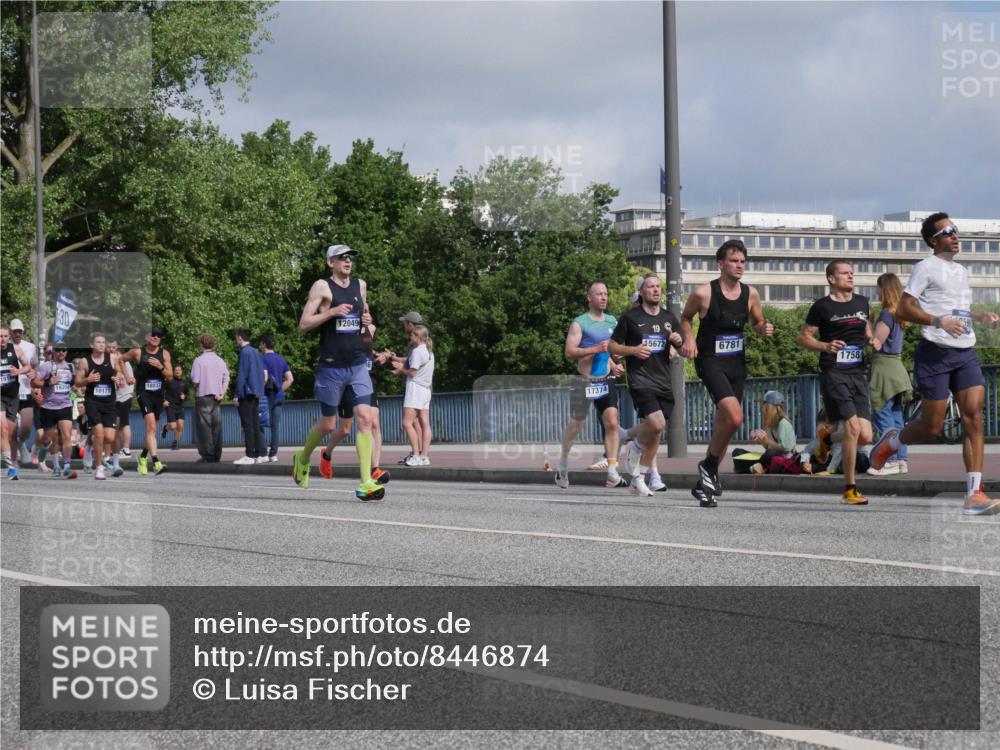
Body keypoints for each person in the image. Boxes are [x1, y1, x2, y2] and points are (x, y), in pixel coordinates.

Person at [870, 212, 1000, 515]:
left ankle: (974, 494)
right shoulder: (925, 267)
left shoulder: (960, 271)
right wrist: (937, 320)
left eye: (956, 230)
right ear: (934, 240)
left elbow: (958, 310)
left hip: (965, 352)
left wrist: (981, 317)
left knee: (973, 419)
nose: (956, 235)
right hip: (935, 353)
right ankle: (891, 442)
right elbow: (904, 307)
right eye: (948, 231)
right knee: (932, 426)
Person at [680, 239, 773, 505]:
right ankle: (709, 466)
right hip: (710, 360)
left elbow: (757, 322)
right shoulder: (704, 293)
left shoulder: (751, 294)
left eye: (743, 261)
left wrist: (763, 328)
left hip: (736, 364)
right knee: (734, 417)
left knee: (725, 425)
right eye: (734, 261)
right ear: (720, 264)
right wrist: (688, 339)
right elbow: (685, 318)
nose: (740, 265)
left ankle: (704, 486)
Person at [293, 244, 384, 500]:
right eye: (342, 257)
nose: (348, 261)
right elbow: (303, 325)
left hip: (357, 364)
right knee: (328, 424)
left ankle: (365, 482)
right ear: (330, 262)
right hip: (331, 366)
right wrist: (331, 312)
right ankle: (302, 458)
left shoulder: (360, 285)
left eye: (351, 257)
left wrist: (367, 321)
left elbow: (364, 314)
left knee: (365, 419)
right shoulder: (322, 287)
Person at [799, 260, 874, 505]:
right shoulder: (822, 306)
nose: (851, 276)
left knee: (865, 435)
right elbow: (805, 338)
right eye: (845, 273)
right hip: (834, 372)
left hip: (858, 373)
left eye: (852, 272)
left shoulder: (862, 302)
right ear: (832, 278)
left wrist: (873, 339)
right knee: (852, 429)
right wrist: (825, 346)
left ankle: (827, 440)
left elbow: (867, 328)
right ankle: (850, 489)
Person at [609, 274, 685, 498]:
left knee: (655, 433)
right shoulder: (630, 318)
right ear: (641, 291)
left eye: (658, 287)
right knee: (657, 423)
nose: (655, 290)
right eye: (650, 287)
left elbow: (678, 344)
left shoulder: (669, 317)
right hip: (640, 379)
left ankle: (639, 479)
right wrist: (632, 350)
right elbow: (612, 346)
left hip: (662, 379)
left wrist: (678, 343)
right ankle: (634, 447)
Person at [554, 281, 627, 490]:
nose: (604, 297)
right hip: (584, 380)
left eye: (606, 294)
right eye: (599, 294)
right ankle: (563, 464)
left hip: (605, 379)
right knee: (577, 425)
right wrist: (595, 349)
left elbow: (611, 351)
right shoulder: (580, 323)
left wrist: (615, 363)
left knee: (612, 422)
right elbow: (569, 352)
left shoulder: (612, 321)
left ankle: (612, 472)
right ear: (589, 298)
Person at [320, 305, 391, 484]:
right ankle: (326, 453)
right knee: (345, 429)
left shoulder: (371, 329)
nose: (366, 315)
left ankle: (374, 469)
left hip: (368, 378)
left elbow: (367, 350)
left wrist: (382, 356)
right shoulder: (346, 329)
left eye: (368, 312)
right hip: (348, 379)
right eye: (363, 312)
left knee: (373, 422)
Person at [867, 273, 912, 476]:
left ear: (883, 289)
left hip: (884, 369)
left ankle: (890, 461)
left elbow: (876, 343)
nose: (875, 291)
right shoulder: (899, 314)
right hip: (898, 369)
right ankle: (901, 460)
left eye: (877, 288)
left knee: (883, 414)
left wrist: (867, 323)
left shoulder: (886, 314)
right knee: (896, 418)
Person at [119, 327, 173, 476]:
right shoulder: (138, 352)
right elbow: (121, 360)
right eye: (153, 335)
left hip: (159, 394)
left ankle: (142, 457)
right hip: (144, 393)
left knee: (152, 430)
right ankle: (156, 462)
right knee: (150, 425)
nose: (156, 337)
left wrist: (160, 366)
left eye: (158, 335)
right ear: (146, 338)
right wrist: (127, 376)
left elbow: (170, 376)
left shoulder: (165, 354)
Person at [74, 332, 121, 480]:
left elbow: (119, 372)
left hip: (109, 403)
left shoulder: (113, 358)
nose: (102, 344)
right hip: (93, 402)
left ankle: (91, 444)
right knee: (100, 434)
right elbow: (77, 382)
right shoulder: (85, 361)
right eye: (98, 342)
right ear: (91, 345)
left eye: (103, 342)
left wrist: (117, 378)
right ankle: (99, 468)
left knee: (109, 436)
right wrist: (88, 379)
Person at [391, 324, 435, 467]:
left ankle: (416, 455)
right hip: (426, 389)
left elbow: (412, 372)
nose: (410, 336)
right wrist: (398, 360)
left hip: (415, 388)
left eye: (412, 335)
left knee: (407, 423)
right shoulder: (429, 351)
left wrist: (400, 369)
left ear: (417, 337)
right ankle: (424, 456)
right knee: (425, 423)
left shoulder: (417, 351)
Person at [32, 341, 78, 479]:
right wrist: (47, 383)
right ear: (54, 352)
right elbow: (35, 382)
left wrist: (74, 391)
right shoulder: (46, 366)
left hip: (65, 405)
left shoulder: (70, 367)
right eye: (58, 350)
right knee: (50, 439)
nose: (61, 353)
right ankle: (55, 464)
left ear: (66, 352)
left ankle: (67, 467)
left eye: (63, 350)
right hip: (48, 407)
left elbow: (73, 385)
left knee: (66, 437)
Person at [745, 390, 808, 475]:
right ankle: (757, 466)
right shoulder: (770, 424)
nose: (762, 407)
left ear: (771, 407)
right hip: (772, 455)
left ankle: (757, 466)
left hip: (785, 457)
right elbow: (768, 447)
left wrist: (767, 441)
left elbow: (787, 448)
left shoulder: (783, 423)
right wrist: (762, 440)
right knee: (737, 452)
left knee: (769, 454)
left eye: (764, 404)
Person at [189, 334, 229, 463]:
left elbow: (195, 381)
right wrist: (222, 393)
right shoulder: (220, 360)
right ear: (213, 345)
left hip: (203, 396)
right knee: (216, 427)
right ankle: (217, 455)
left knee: (204, 428)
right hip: (217, 398)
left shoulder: (198, 360)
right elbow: (226, 378)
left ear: (201, 345)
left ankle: (208, 456)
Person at [1, 323, 33, 480]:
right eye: (0, 336)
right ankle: (10, 467)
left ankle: (12, 460)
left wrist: (18, 371)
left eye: (5, 336)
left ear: (9, 337)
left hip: (13, 395)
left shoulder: (16, 350)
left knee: (11, 432)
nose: (2, 339)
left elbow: (28, 366)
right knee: (3, 430)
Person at [233, 329, 266, 465]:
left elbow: (242, 374)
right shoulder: (256, 352)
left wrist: (237, 394)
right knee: (255, 424)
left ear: (240, 338)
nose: (236, 341)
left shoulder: (244, 352)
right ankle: (259, 454)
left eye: (236, 338)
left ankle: (249, 454)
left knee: (247, 425)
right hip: (256, 392)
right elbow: (262, 373)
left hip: (246, 393)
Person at [9, 319, 38, 466]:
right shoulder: (4, 346)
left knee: (26, 426)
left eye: (20, 331)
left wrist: (33, 373)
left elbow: (34, 366)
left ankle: (21, 444)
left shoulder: (30, 347)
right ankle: (14, 462)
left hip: (25, 390)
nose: (18, 334)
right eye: (15, 331)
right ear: (10, 332)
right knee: (12, 428)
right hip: (9, 391)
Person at [259, 334, 293, 462]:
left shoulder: (262, 359)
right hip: (279, 397)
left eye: (261, 344)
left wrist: (258, 392)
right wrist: (280, 389)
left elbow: (265, 377)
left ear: (263, 344)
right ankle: (273, 454)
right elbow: (290, 379)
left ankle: (263, 453)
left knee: (260, 424)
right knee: (275, 426)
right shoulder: (281, 359)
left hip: (266, 396)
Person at [107, 338, 134, 467]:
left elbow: (122, 383)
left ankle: (126, 449)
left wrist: (117, 382)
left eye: (113, 348)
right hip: (120, 397)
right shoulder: (117, 362)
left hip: (123, 397)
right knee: (121, 424)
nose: (111, 350)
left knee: (123, 424)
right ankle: (120, 449)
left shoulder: (122, 362)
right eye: (109, 347)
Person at [160, 365, 189, 451]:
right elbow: (160, 391)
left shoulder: (184, 383)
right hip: (170, 406)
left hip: (180, 406)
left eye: (179, 370)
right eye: (176, 370)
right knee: (173, 426)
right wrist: (163, 401)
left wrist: (185, 396)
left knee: (180, 425)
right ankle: (166, 427)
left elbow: (187, 394)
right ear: (173, 371)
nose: (177, 371)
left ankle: (175, 443)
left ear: (181, 371)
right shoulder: (169, 380)